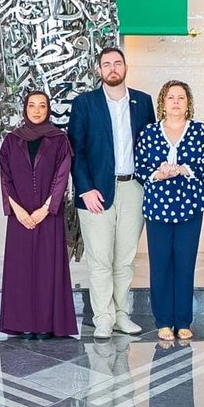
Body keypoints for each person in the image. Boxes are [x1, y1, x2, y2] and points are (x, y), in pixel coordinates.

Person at [67, 46, 155, 339]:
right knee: (100, 259)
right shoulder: (84, 103)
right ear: (99, 70)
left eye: (118, 63)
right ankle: (103, 317)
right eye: (107, 64)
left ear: (126, 67)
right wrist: (85, 189)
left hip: (134, 188)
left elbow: (150, 146)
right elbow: (75, 150)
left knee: (125, 259)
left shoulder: (143, 102)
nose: (113, 68)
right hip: (96, 192)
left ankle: (121, 315)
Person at [135, 80, 204, 340]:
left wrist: (182, 169)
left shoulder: (199, 131)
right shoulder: (149, 132)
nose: (176, 102)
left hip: (190, 207)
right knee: (160, 264)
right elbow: (140, 166)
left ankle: (183, 321)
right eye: (171, 97)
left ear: (188, 103)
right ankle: (163, 322)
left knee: (185, 263)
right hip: (158, 208)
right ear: (163, 103)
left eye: (181, 97)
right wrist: (158, 173)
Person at [0, 89, 75, 338]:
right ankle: (22, 324)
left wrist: (45, 209)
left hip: (48, 215)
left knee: (46, 270)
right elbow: (5, 178)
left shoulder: (59, 139)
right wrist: (18, 211)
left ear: (48, 109)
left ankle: (45, 325)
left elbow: (62, 177)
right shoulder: (12, 140)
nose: (37, 110)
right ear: (25, 108)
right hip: (19, 216)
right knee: (21, 270)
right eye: (32, 105)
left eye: (42, 105)